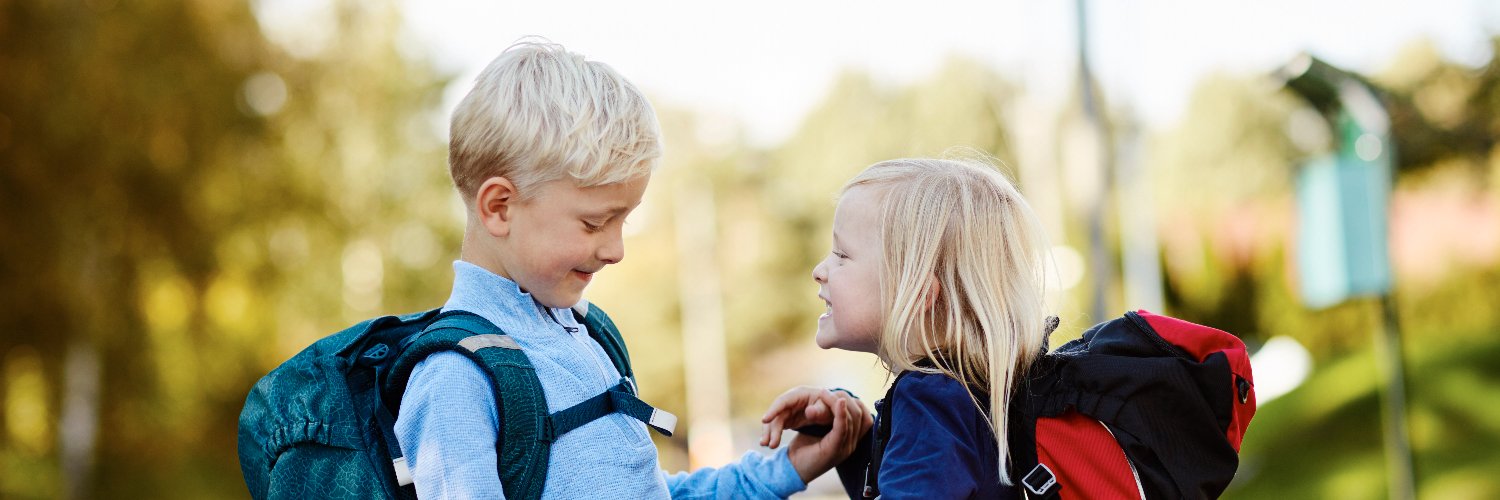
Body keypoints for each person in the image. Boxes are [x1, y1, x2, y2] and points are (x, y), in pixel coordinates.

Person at [398, 39, 868, 498]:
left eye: (624, 220)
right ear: (500, 207)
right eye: (594, 222)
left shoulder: (582, 334)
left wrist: (786, 467)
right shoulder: (454, 379)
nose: (616, 250)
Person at [760, 157, 1053, 499]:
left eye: (842, 255)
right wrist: (855, 439)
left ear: (916, 295)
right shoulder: (978, 392)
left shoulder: (930, 403)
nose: (819, 270)